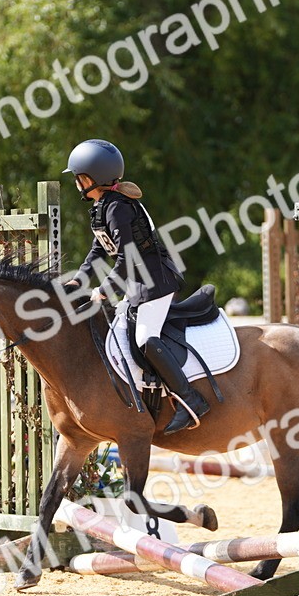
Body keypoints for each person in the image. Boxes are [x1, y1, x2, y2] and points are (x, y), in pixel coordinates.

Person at [62, 139, 203, 434]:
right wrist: (79, 279)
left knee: (145, 339)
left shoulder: (119, 208)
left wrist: (104, 290)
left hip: (156, 283)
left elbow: (128, 257)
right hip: (137, 285)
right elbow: (98, 250)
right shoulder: (103, 207)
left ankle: (191, 400)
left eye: (77, 177)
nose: (76, 183)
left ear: (89, 179)